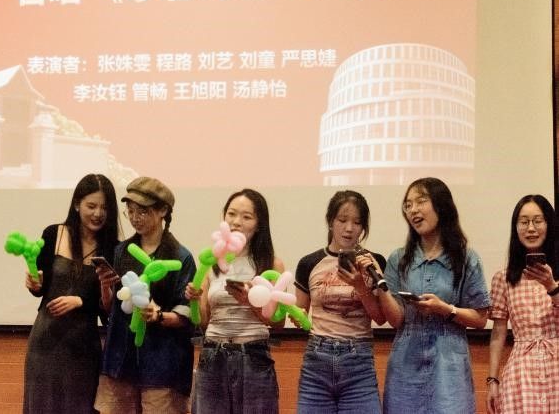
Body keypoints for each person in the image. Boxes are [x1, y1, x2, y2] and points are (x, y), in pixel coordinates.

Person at [378, 177, 490, 414]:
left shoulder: (466, 258)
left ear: (441, 205)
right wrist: (379, 287)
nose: (413, 210)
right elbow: (396, 320)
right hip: (405, 366)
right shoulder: (399, 259)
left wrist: (446, 309)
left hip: (449, 368)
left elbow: (481, 319)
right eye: (408, 205)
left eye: (421, 201)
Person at [95, 176, 196, 414]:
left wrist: (158, 316)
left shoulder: (180, 257)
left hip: (163, 364)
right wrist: (105, 288)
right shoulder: (121, 251)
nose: (134, 218)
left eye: (142, 211)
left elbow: (186, 316)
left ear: (163, 211)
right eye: (130, 211)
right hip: (120, 359)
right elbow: (111, 310)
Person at [23, 174, 120, 414]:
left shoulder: (114, 248)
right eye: (91, 206)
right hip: (45, 339)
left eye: (104, 208)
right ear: (77, 204)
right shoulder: (53, 234)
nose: (98, 213)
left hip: (83, 345)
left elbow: (108, 310)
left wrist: (81, 301)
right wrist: (34, 284)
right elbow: (40, 288)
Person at [185, 188, 285, 414]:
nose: (236, 222)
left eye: (246, 217)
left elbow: (278, 323)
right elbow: (203, 321)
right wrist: (194, 298)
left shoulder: (271, 264)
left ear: (259, 224)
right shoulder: (210, 263)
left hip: (253, 355)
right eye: (231, 214)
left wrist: (249, 302)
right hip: (213, 354)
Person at [294, 190, 388, 413]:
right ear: (330, 221)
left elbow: (380, 318)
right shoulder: (309, 263)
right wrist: (297, 317)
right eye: (342, 220)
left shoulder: (373, 262)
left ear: (363, 227)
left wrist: (360, 286)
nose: (349, 228)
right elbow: (300, 315)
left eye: (357, 222)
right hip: (317, 360)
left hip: (359, 360)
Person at [486, 194, 559, 413]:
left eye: (538, 221)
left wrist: (551, 286)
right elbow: (498, 332)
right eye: (524, 222)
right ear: (515, 228)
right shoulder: (504, 278)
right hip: (521, 373)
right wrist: (492, 380)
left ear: (549, 224)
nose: (531, 228)